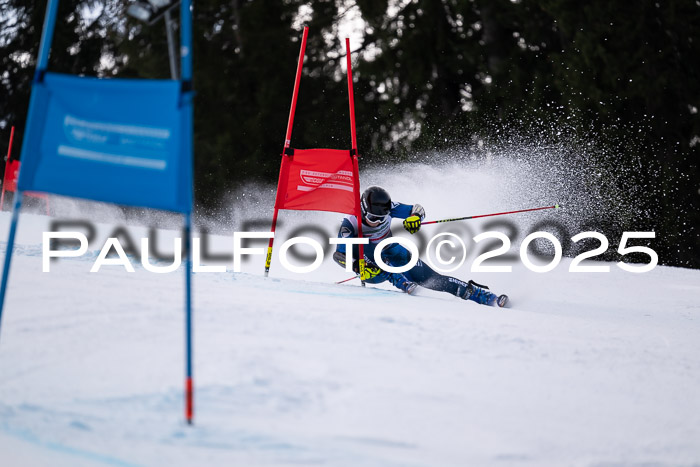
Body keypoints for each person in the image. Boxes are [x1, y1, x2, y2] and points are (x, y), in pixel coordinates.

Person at [333, 186, 509, 307]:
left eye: (381, 218)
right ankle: (398, 280)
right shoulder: (350, 223)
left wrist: (416, 217)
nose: (377, 222)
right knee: (366, 244)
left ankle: (485, 297)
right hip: (369, 268)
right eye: (373, 218)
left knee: (431, 278)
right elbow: (338, 256)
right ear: (363, 211)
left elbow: (416, 208)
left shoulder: (390, 208)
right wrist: (356, 266)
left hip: (392, 252)